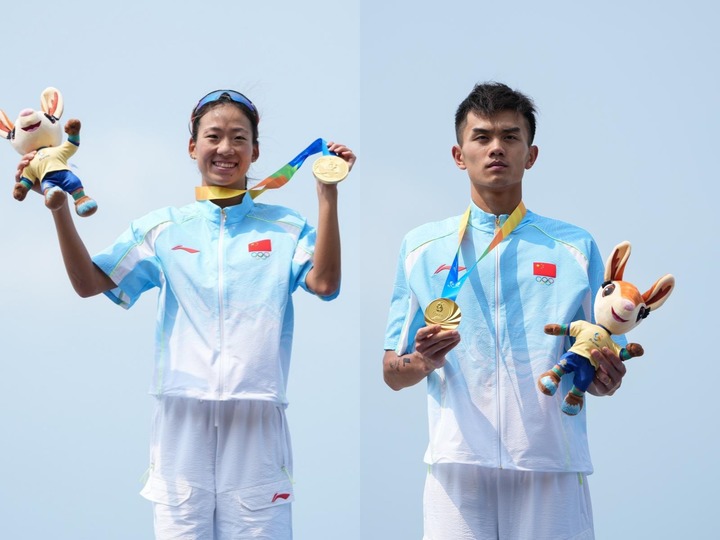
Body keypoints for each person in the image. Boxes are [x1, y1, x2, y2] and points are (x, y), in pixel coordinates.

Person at [19, 89, 355, 539]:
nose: (225, 148)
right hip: (182, 419)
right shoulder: (163, 228)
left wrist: (327, 194)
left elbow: (325, 284)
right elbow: (89, 283)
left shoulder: (286, 227)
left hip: (256, 416)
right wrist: (61, 211)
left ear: (255, 151)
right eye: (213, 136)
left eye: (239, 138)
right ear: (192, 147)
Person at [382, 82, 626, 540]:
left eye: (510, 137)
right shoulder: (421, 247)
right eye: (482, 137)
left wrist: (606, 378)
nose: (496, 148)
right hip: (457, 466)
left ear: (530, 155)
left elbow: (602, 364)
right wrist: (423, 361)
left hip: (550, 465)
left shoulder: (575, 247)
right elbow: (392, 372)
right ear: (459, 155)